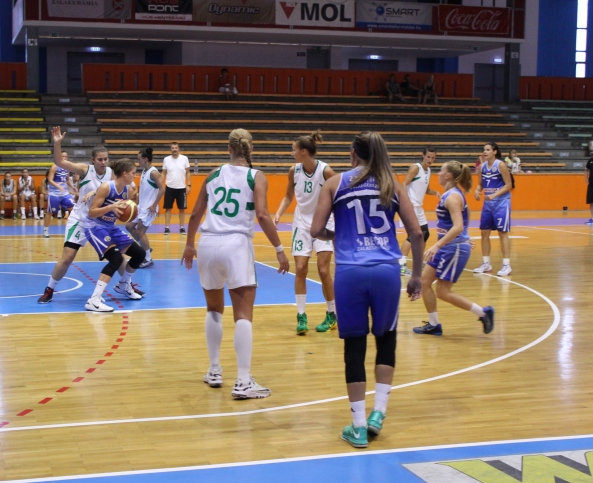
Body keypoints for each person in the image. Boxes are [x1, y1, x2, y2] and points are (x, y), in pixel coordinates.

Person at [310, 131, 424, 449]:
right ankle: (379, 413)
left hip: (350, 272)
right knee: (386, 340)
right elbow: (417, 233)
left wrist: (339, 235)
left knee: (354, 347)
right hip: (386, 271)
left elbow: (316, 229)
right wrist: (416, 275)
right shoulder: (392, 184)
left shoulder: (335, 184)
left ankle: (358, 426)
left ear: (353, 153)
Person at [182, 128, 290, 399]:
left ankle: (214, 370)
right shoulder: (256, 176)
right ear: (251, 149)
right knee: (243, 315)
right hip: (236, 244)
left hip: (207, 243)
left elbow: (195, 214)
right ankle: (243, 381)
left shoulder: (213, 174)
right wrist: (279, 249)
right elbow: (263, 215)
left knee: (213, 309)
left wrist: (189, 244)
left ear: (229, 149)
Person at [38, 128, 144, 304]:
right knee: (67, 257)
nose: (103, 162)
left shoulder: (111, 173)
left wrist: (95, 192)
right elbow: (59, 162)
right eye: (100, 159)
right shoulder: (85, 170)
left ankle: (127, 285)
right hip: (81, 219)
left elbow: (128, 187)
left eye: (105, 159)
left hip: (101, 222)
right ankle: (49, 289)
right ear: (93, 160)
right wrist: (57, 143)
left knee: (118, 256)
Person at [413, 161, 495, 336]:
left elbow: (458, 226)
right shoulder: (450, 195)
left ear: (448, 175)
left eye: (441, 171)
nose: (438, 173)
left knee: (443, 292)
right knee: (425, 282)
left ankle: (483, 313)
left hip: (453, 248)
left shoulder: (452, 197)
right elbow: (467, 212)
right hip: (448, 246)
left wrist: (438, 244)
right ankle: (434, 325)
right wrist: (464, 234)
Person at [273, 131, 338, 335]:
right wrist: (279, 212)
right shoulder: (294, 171)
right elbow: (288, 195)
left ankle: (332, 314)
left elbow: (340, 194)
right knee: (300, 268)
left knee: (324, 270)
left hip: (324, 223)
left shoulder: (326, 171)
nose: (291, 153)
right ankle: (301, 316)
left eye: (294, 150)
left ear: (303, 151)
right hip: (301, 224)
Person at [83, 158, 147, 312]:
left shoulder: (127, 191)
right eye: (133, 173)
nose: (135, 176)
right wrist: (111, 207)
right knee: (116, 258)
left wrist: (129, 212)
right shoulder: (106, 187)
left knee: (139, 253)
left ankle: (124, 284)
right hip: (95, 227)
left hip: (110, 228)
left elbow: (123, 211)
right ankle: (94, 300)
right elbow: (91, 213)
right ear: (124, 174)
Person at [473, 142, 514, 276]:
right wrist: (477, 190)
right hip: (488, 204)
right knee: (484, 232)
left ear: (494, 151)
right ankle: (486, 263)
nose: (484, 152)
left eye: (488, 149)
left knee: (502, 232)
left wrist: (494, 195)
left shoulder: (500, 165)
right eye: (484, 149)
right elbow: (480, 184)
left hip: (501, 203)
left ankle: (506, 265)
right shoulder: (482, 167)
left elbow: (508, 185)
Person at [399, 148, 439, 276]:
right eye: (428, 157)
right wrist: (406, 202)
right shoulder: (416, 168)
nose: (430, 160)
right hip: (411, 206)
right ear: (423, 155)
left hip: (418, 207)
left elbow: (426, 189)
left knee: (425, 234)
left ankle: (419, 260)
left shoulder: (428, 171)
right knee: (413, 236)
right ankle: (401, 265)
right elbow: (404, 184)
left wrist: (435, 192)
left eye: (433, 158)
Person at [126, 147, 165, 267]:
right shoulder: (144, 171)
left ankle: (147, 258)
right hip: (141, 207)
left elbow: (162, 189)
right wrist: (136, 204)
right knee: (129, 226)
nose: (138, 161)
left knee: (140, 232)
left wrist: (154, 205)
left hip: (149, 208)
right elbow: (142, 190)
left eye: (139, 159)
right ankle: (145, 247)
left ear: (145, 159)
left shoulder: (153, 173)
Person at [43, 152, 78, 238]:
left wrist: (73, 187)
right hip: (54, 194)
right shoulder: (54, 166)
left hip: (65, 194)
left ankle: (75, 228)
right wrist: (58, 186)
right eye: (63, 156)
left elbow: (67, 179)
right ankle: (46, 230)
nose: (65, 157)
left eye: (66, 156)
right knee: (50, 212)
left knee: (74, 209)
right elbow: (50, 179)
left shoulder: (67, 167)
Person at [162, 142, 191, 235]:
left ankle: (182, 227)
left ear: (179, 149)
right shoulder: (166, 159)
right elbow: (163, 173)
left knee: (182, 209)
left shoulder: (184, 159)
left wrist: (189, 185)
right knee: (168, 208)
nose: (174, 149)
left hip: (181, 188)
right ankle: (167, 227)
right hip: (169, 187)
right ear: (170, 149)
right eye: (173, 148)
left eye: (176, 148)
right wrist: (160, 185)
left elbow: (188, 172)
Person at [585, 154, 593, 225]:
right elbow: (586, 170)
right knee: (591, 202)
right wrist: (586, 177)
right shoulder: (590, 161)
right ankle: (592, 218)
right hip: (591, 184)